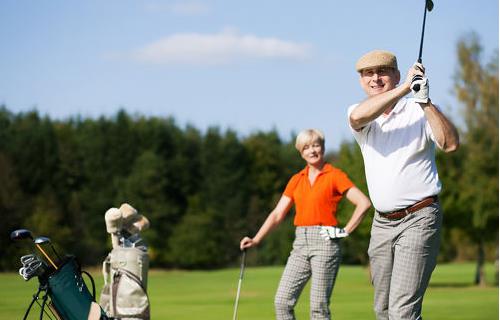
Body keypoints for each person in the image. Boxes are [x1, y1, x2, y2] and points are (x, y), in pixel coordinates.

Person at [347, 50, 459, 320]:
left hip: (419, 218)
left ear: (396, 75)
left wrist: (425, 101)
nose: (375, 78)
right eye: (368, 74)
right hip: (381, 223)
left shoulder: (418, 109)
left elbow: (450, 144)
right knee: (383, 310)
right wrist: (407, 88)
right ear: (361, 81)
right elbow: (357, 118)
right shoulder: (358, 113)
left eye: (383, 71)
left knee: (402, 313)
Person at [240, 129, 371, 320]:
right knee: (282, 301)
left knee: (318, 308)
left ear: (323, 147)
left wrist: (344, 231)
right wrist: (256, 239)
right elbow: (277, 214)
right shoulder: (296, 179)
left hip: (325, 243)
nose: (312, 150)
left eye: (316, 145)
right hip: (300, 243)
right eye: (306, 147)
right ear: (301, 152)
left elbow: (363, 203)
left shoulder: (335, 175)